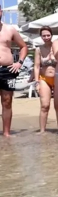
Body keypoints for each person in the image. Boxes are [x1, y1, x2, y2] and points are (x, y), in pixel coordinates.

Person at [0, 5, 28, 137]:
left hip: (7, 70)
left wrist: (19, 63)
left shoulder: (9, 29)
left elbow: (23, 47)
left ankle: (6, 133)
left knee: (7, 101)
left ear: (1, 12)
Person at [33, 26, 57, 133]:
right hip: (44, 79)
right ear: (41, 36)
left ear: (51, 35)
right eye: (44, 35)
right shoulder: (39, 49)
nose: (46, 37)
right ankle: (42, 131)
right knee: (44, 105)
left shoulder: (57, 46)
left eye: (48, 35)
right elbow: (36, 66)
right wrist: (37, 82)